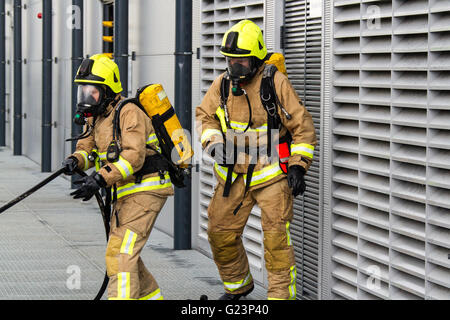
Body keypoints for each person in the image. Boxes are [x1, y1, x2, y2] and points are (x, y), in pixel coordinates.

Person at [196, 20, 317, 300]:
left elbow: (303, 126)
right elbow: (205, 116)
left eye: (241, 60)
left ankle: (279, 298)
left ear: (256, 58)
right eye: (230, 60)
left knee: (276, 242)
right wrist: (213, 144)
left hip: (271, 175)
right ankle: (239, 286)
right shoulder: (223, 84)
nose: (235, 66)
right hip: (233, 176)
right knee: (219, 233)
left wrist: (299, 165)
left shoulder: (274, 82)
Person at [62, 54, 173, 300]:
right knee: (124, 252)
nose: (86, 97)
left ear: (108, 90)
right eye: (83, 91)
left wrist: (100, 179)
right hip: (126, 192)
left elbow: (134, 157)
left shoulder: (128, 112)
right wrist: (76, 160)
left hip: (146, 189)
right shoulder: (98, 116)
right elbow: (89, 149)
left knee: (121, 253)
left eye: (91, 91)